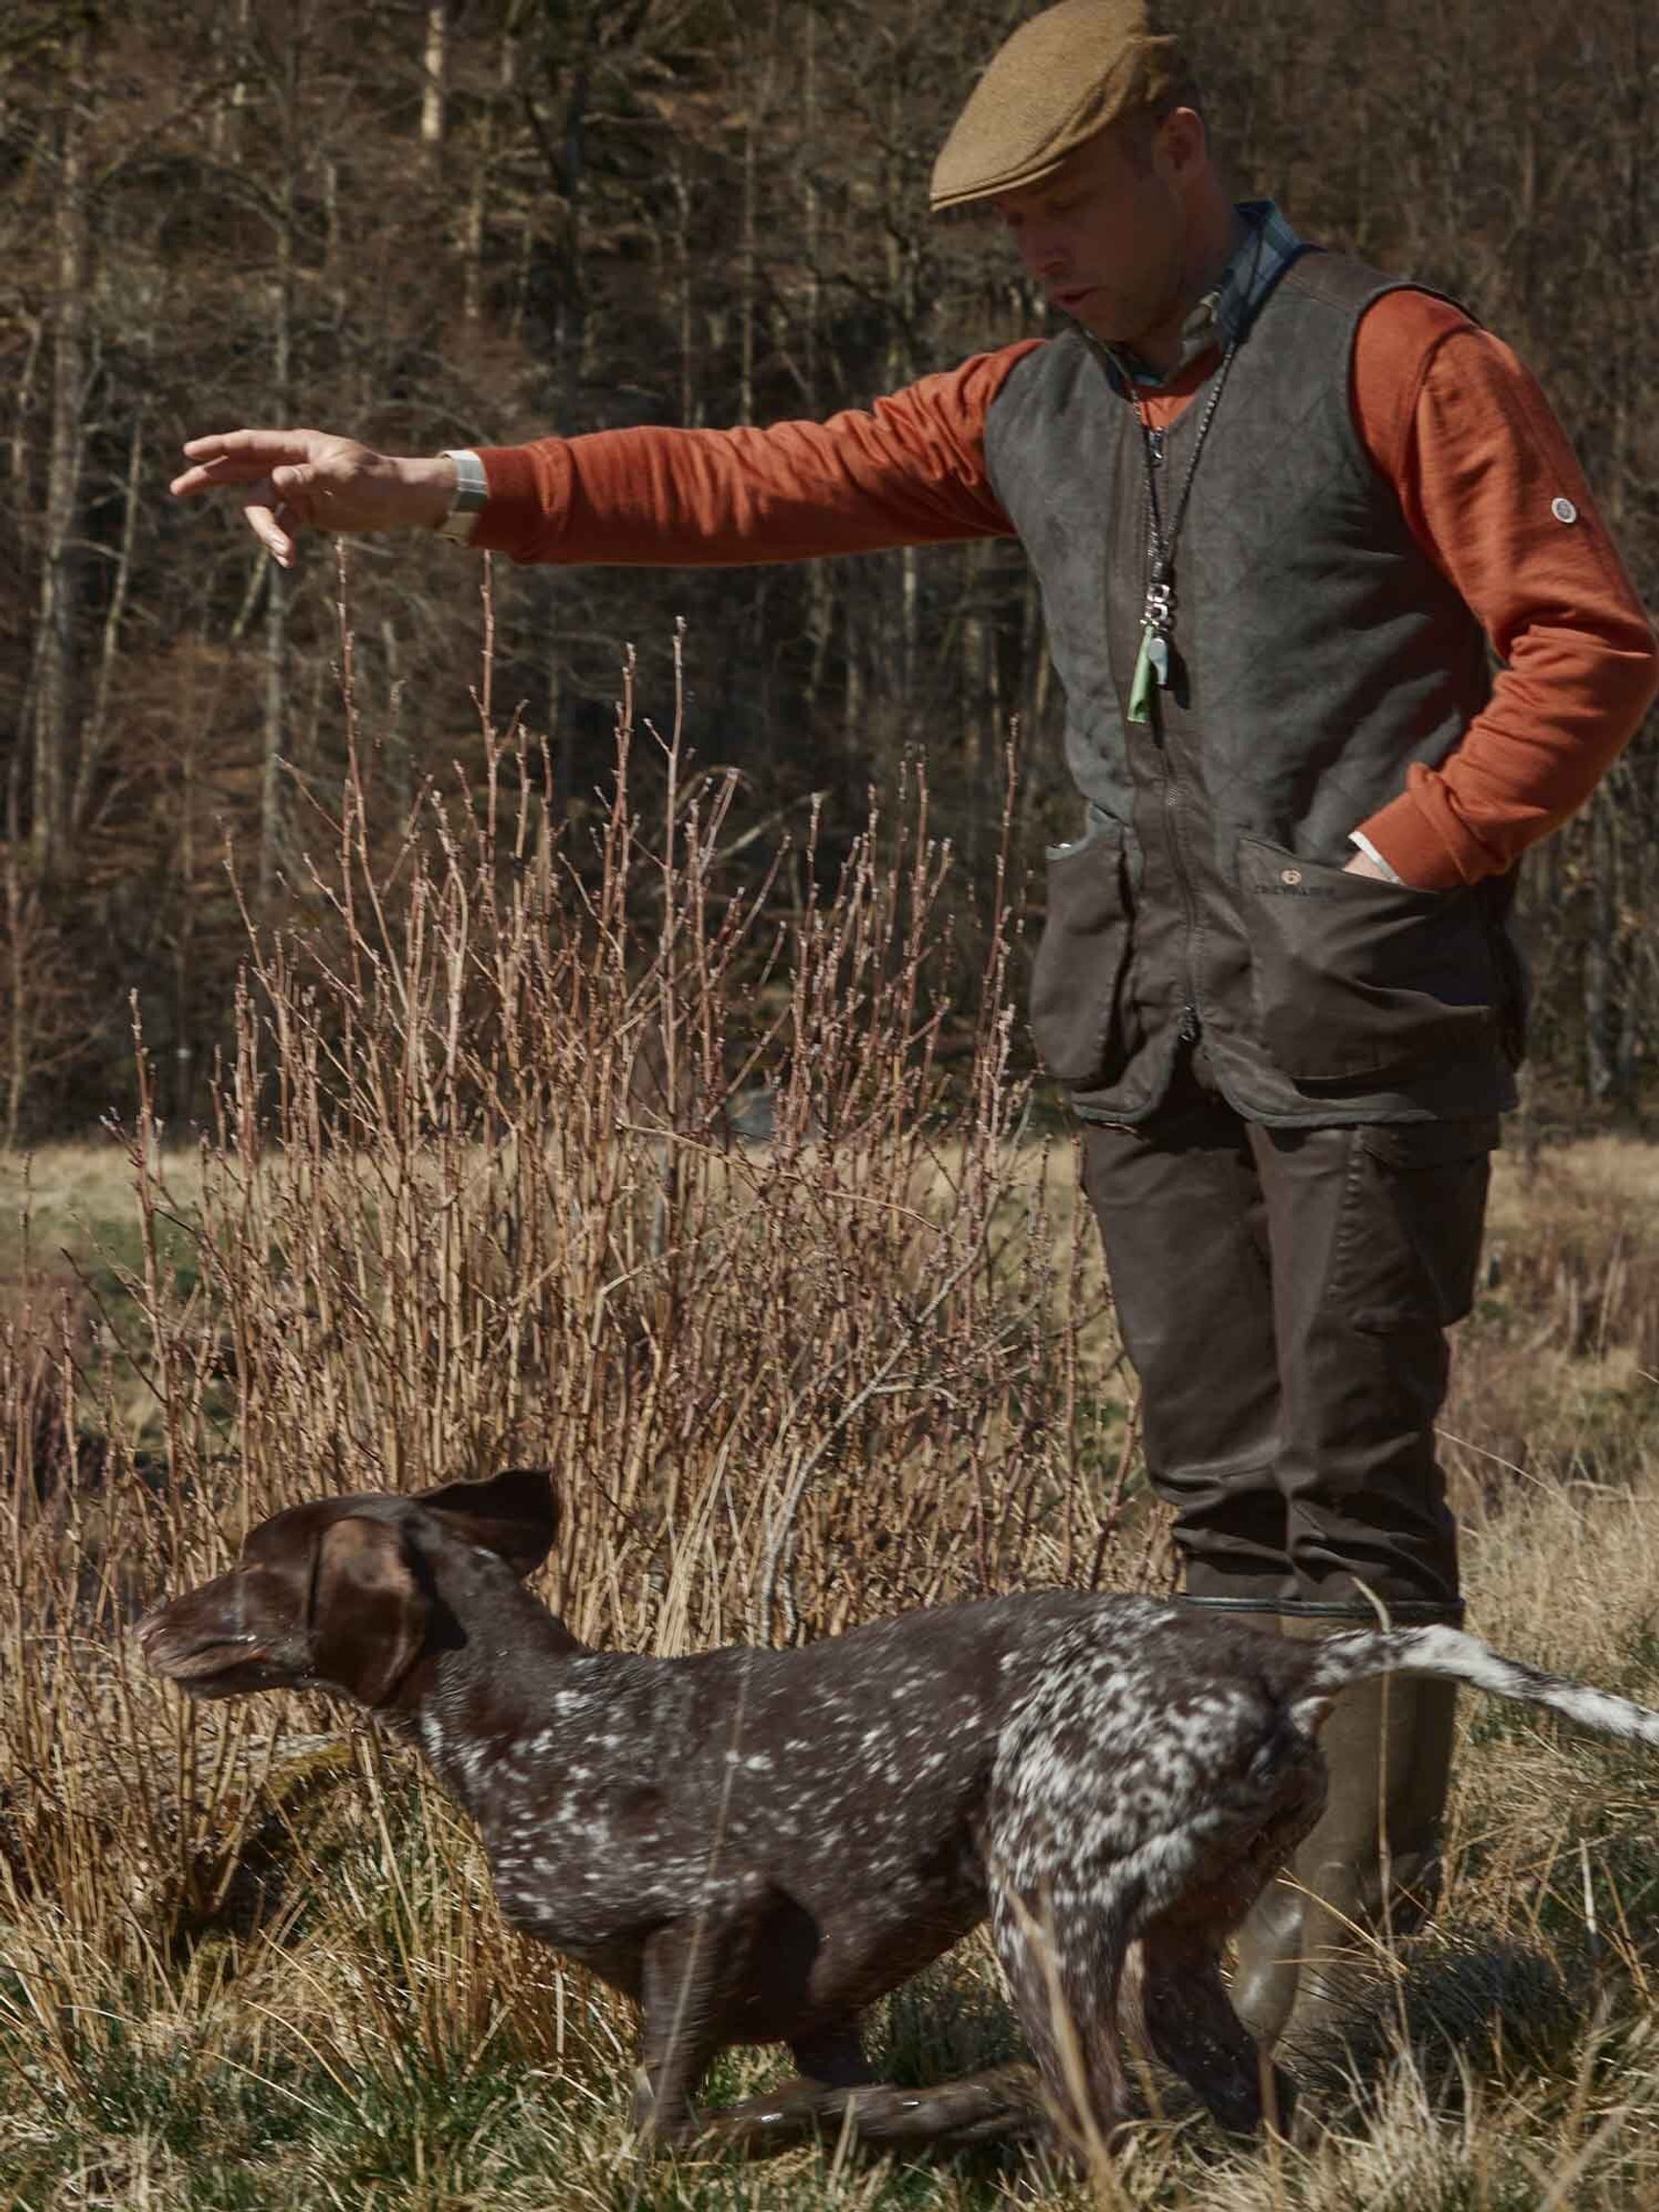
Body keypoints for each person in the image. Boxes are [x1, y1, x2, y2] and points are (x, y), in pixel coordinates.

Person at [173, 0, 1657, 2051]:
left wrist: (1403, 851)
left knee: (1351, 1479)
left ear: (1178, 151)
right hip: (1138, 1017)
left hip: (1363, 1015)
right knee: (1217, 1490)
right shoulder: (1030, 403)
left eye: (1066, 206)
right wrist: (431, 483)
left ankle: (1346, 1977)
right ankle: (1211, 1937)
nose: (1038, 253)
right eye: (1008, 225)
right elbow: (750, 481)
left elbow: (1583, 643)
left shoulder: (1396, 357)